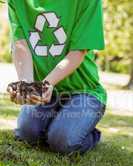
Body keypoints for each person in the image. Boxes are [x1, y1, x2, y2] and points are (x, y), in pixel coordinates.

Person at [7, 0, 107, 154]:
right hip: (47, 91)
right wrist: (27, 86)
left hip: (83, 91)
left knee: (62, 142)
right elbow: (20, 44)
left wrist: (47, 84)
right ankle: (61, 123)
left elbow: (78, 52)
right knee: (26, 134)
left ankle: (89, 133)